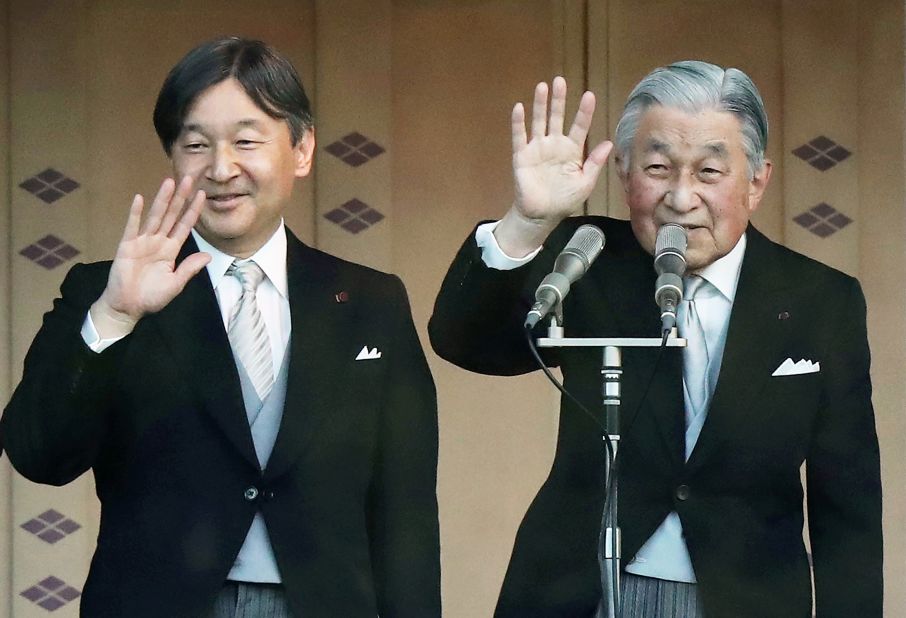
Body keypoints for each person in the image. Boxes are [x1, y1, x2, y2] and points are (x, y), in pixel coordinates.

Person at [1, 37, 440, 618]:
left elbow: (405, 510)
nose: (221, 168)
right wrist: (115, 317)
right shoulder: (103, 291)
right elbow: (39, 456)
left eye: (246, 140)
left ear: (302, 149)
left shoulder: (371, 302)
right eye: (196, 144)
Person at [430, 62, 882, 617]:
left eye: (710, 171)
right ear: (623, 173)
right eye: (658, 167)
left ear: (757, 181)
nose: (681, 197)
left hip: (745, 599)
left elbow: (848, 505)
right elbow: (466, 342)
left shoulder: (821, 300)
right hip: (583, 593)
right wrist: (526, 221)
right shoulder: (587, 256)